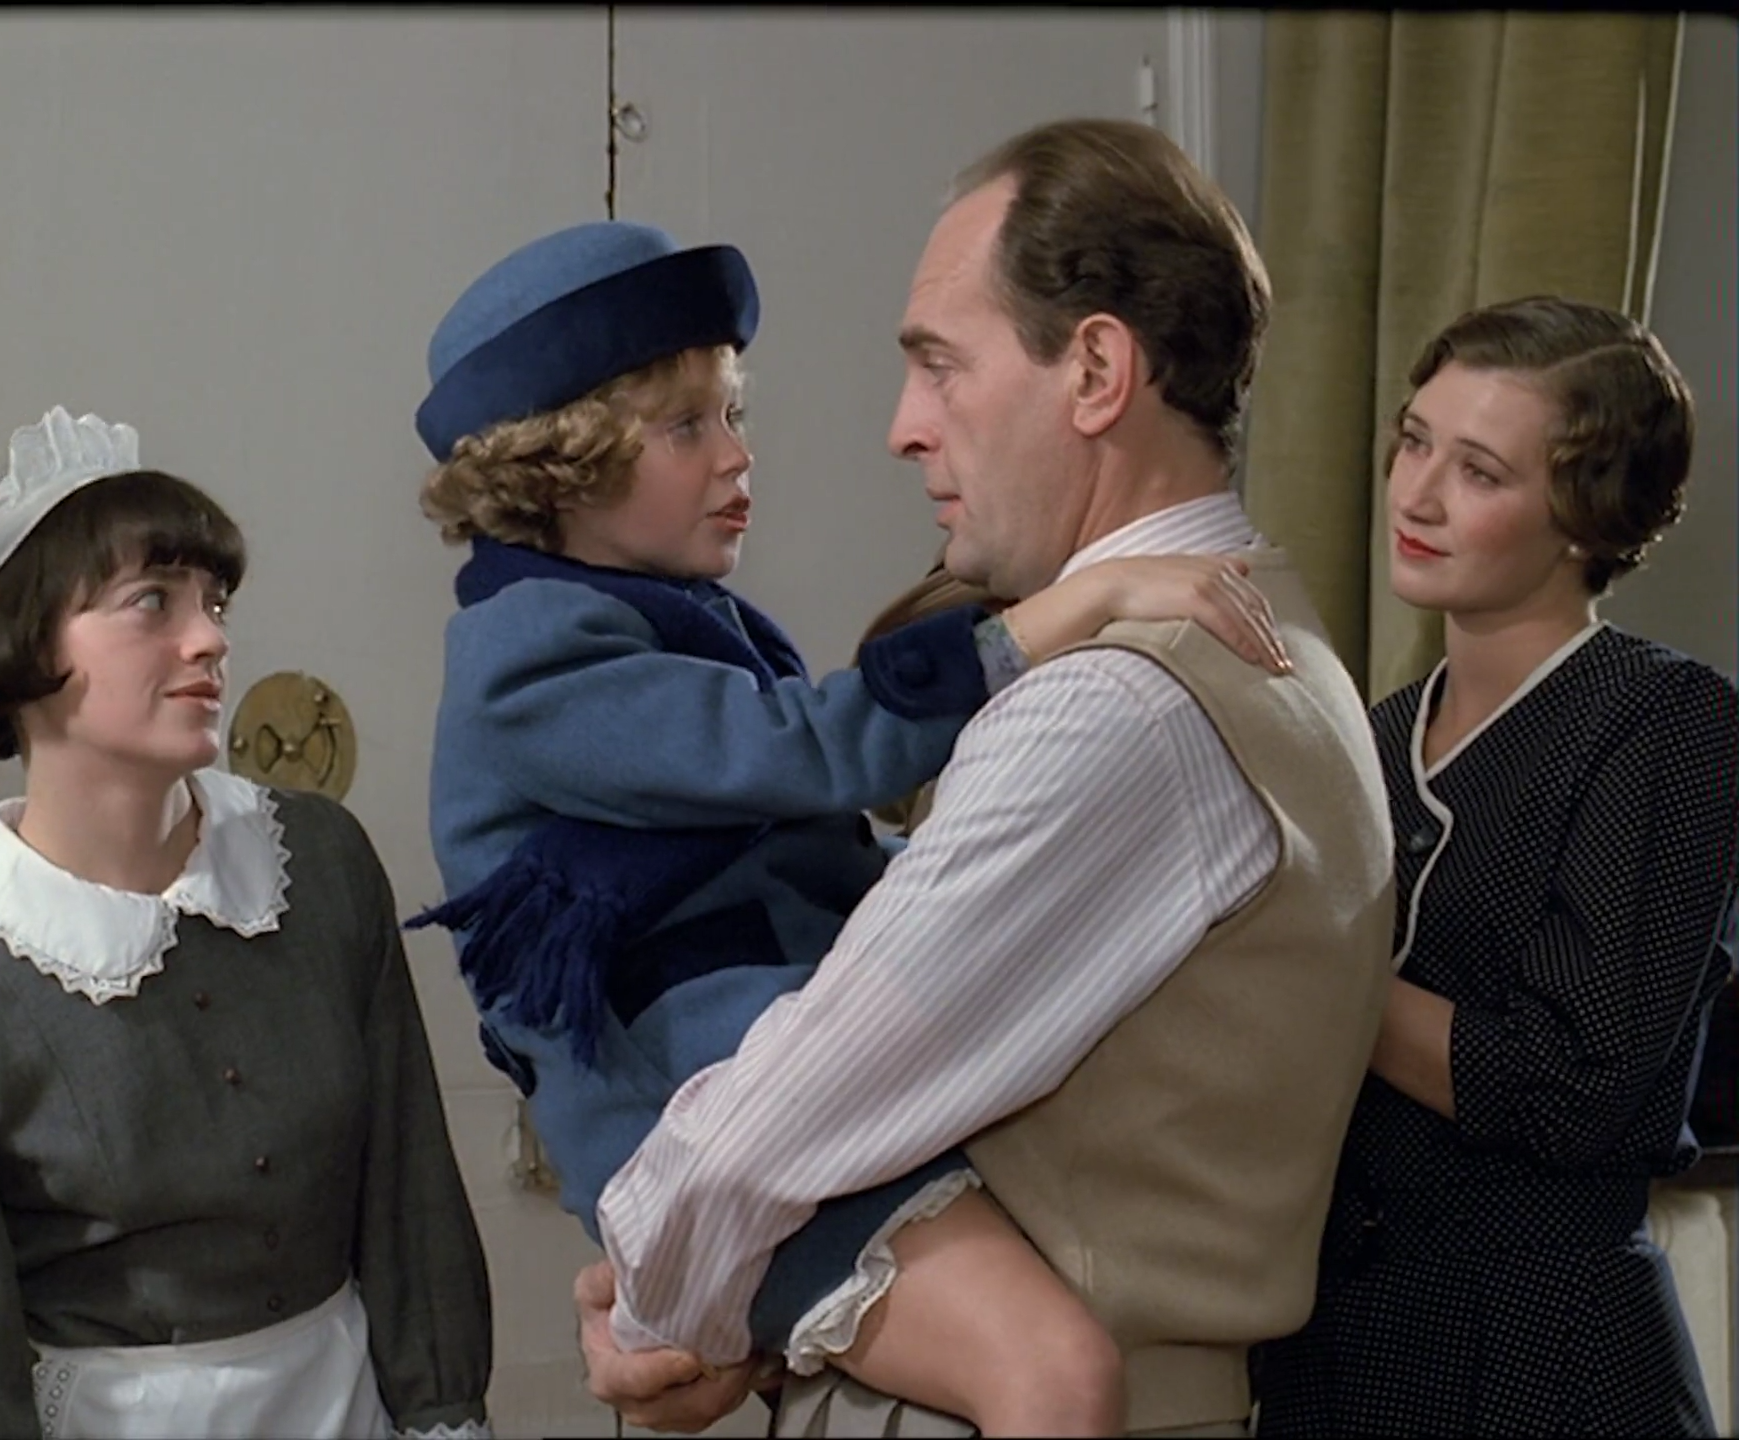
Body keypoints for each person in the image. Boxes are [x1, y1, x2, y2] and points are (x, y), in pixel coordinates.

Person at [572, 116, 1400, 1440]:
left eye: (940, 366)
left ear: (1096, 371)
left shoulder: (1118, 711)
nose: (903, 429)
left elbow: (778, 1126)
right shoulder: (1278, 639)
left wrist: (655, 1310)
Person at [406, 220, 1294, 1438]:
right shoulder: (528, 658)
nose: (738, 455)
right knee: (1055, 1373)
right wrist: (1062, 614)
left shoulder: (681, 615)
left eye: (733, 413)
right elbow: (805, 754)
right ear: (559, 467)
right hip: (692, 1104)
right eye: (686, 427)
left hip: (767, 1076)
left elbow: (815, 850)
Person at [0, 407, 494, 1439]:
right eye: (151, 602)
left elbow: (408, 1191)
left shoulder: (318, 865)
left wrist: (443, 1413)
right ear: (25, 641)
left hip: (346, 1405)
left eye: (214, 600)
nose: (210, 638)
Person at [1252, 297, 1738, 1437]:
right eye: (1415, 443)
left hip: (1544, 1355)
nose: (1416, 496)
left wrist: (1301, 955)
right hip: (1335, 1348)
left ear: (1586, 514)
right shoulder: (1369, 738)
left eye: (1478, 471)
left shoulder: (1665, 722)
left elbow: (1572, 1090)